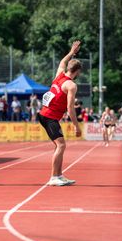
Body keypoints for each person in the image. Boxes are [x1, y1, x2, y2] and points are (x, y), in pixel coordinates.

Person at [38, 41, 82, 186]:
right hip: (49, 116)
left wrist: (71, 52)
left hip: (45, 115)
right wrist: (76, 126)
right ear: (77, 72)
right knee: (61, 145)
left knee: (60, 145)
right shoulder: (71, 85)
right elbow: (70, 108)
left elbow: (63, 61)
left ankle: (59, 175)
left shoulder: (59, 75)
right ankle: (53, 177)